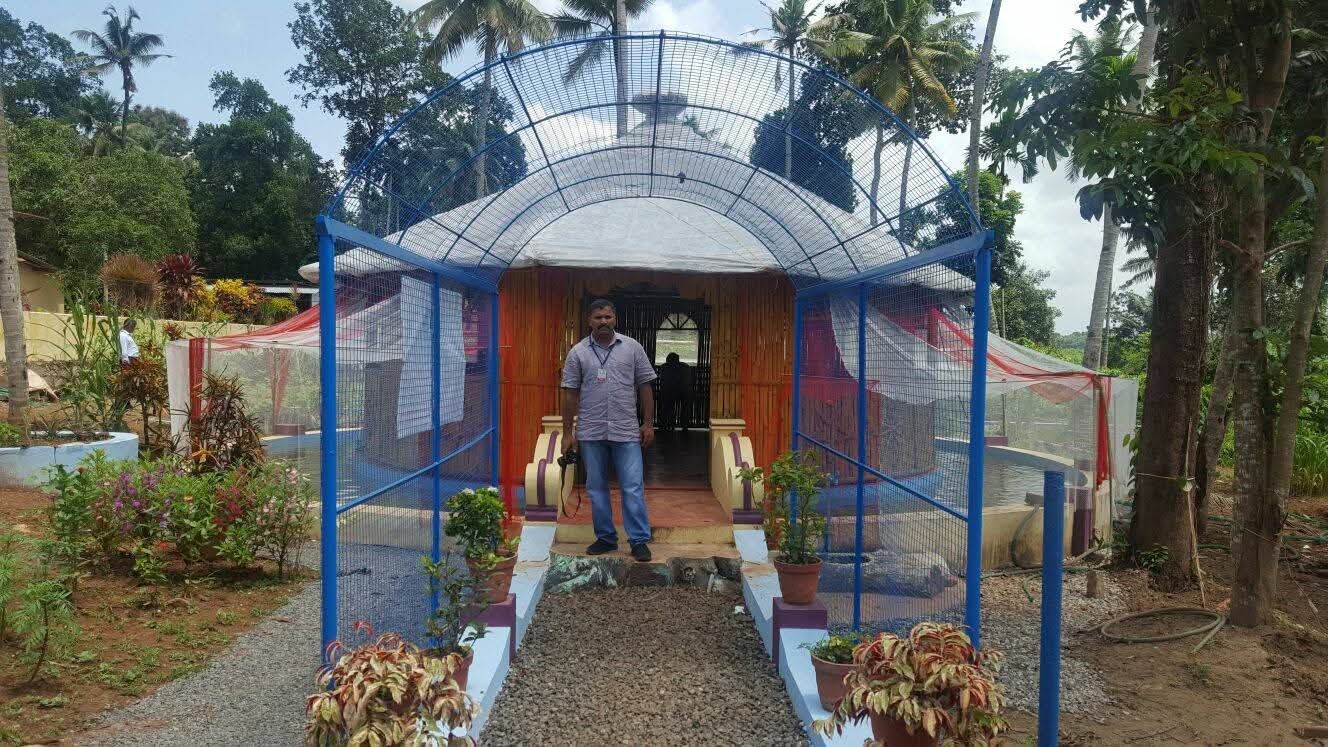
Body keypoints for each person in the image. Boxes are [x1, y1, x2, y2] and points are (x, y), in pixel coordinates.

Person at [561, 299, 657, 561]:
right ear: (588, 321)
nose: (603, 322)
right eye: (598, 318)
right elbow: (570, 394)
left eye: (607, 317)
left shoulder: (632, 348)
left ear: (615, 318)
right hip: (591, 432)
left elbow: (645, 386)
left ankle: (638, 540)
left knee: (632, 486)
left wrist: (648, 423)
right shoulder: (578, 353)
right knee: (596, 488)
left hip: (626, 431)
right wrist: (568, 433)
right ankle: (605, 538)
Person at [657, 352, 692, 431]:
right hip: (683, 392)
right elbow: (689, 380)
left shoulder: (664, 367)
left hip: (669, 391)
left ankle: (666, 424)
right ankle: (685, 425)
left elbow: (663, 380)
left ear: (668, 359)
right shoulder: (685, 366)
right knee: (685, 408)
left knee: (667, 407)